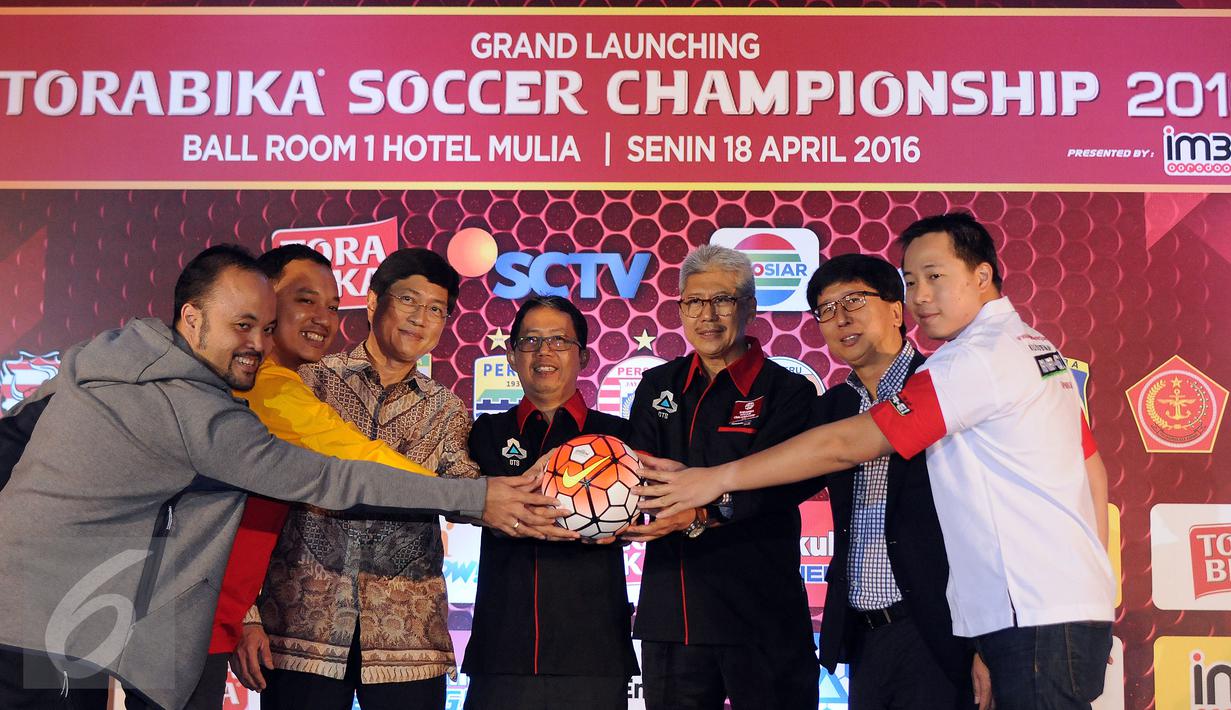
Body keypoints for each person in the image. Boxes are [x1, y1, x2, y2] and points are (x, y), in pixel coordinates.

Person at [0, 245, 556, 710]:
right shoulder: (215, 412)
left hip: (114, 615)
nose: (258, 344)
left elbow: (15, 433)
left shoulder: (102, 360)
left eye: (265, 327)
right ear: (192, 318)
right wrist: (476, 497)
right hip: (61, 624)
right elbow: (337, 479)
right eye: (244, 325)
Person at [639, 213, 1115, 710]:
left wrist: (711, 482)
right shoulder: (1028, 348)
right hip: (909, 628)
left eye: (935, 277)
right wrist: (1097, 592)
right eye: (912, 281)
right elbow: (1092, 468)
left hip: (982, 622)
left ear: (980, 275)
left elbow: (847, 445)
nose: (922, 296)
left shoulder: (966, 363)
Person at [245, 248, 486, 710]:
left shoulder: (448, 409)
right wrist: (245, 614)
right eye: (409, 301)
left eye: (436, 309)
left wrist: (520, 500)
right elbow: (248, 505)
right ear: (374, 302)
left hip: (408, 638)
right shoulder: (305, 380)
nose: (420, 318)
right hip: (301, 633)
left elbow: (464, 493)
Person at [622, 245, 820, 710]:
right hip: (673, 617)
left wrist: (704, 511)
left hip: (764, 615)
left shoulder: (788, 391)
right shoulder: (657, 386)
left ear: (749, 307)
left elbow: (782, 483)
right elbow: (642, 473)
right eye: (693, 302)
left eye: (723, 300)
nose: (706, 315)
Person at [806, 254, 981, 710]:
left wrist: (987, 643)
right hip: (864, 638)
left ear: (897, 310)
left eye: (854, 301)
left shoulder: (945, 386)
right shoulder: (832, 409)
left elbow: (988, 522)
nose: (840, 318)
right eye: (826, 310)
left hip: (938, 633)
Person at [463, 295, 639, 710]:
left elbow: (650, 516)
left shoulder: (618, 438)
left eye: (559, 341)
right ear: (511, 355)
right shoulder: (485, 433)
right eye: (530, 341)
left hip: (595, 656)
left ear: (584, 356)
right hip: (500, 652)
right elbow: (458, 501)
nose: (544, 352)